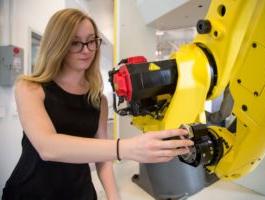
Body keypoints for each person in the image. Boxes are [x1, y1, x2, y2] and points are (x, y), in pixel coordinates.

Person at [2, 8, 193, 200]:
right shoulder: (30, 88)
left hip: (80, 192)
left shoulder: (97, 99)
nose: (86, 49)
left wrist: (113, 197)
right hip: (31, 192)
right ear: (58, 44)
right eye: (76, 42)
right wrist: (124, 148)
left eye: (91, 41)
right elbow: (48, 147)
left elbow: (103, 160)